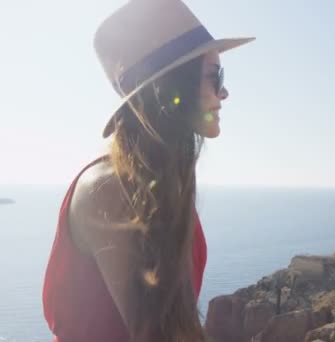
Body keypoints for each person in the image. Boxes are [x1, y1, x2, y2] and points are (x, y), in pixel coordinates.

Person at [41, 0, 254, 341]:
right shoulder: (114, 189)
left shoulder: (159, 183)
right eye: (215, 76)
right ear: (172, 87)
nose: (224, 92)